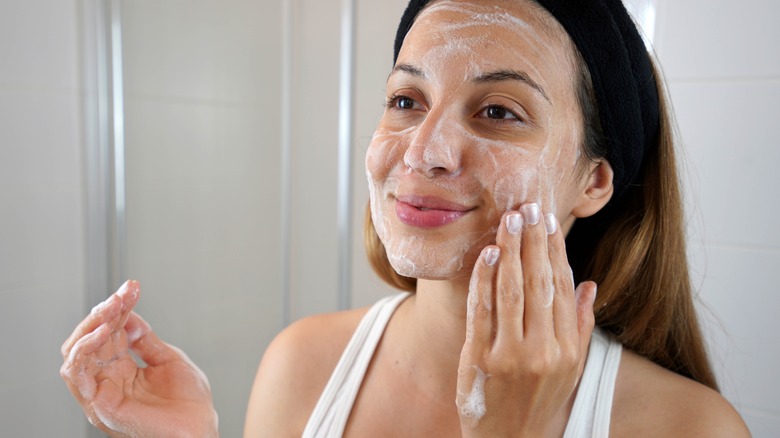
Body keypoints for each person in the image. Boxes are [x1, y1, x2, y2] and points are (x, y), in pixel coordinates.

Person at [61, 0, 751, 436]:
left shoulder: (688, 428)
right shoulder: (302, 364)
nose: (423, 151)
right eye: (406, 100)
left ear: (593, 182)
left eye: (498, 111)